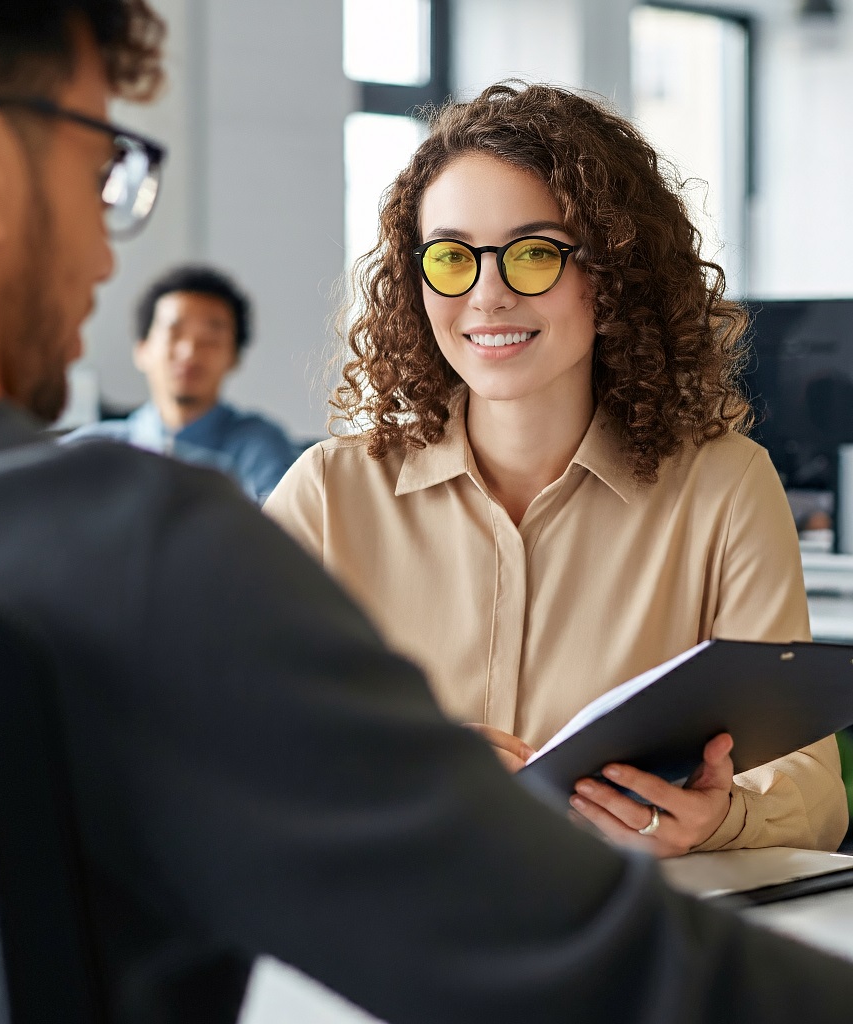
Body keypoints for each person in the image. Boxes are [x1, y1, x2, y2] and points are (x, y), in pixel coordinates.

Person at [0, 5, 853, 1023]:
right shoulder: (135, 549)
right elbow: (586, 960)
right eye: (102, 169)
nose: (108, 258)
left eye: (532, 254)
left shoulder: (119, 547)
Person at [265, 82, 848, 859]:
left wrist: (720, 817)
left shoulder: (723, 487)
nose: (488, 293)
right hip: (385, 933)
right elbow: (218, 743)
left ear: (612, 276)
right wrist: (389, 770)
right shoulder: (330, 495)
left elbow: (812, 791)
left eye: (534, 253)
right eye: (450, 257)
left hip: (623, 939)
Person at [67, 265, 297, 503]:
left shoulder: (260, 448)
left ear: (234, 358)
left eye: (210, 340)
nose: (189, 353)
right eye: (173, 334)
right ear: (142, 350)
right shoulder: (92, 450)